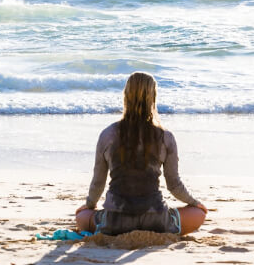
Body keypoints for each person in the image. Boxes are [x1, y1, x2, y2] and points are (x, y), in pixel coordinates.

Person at [75, 72, 208, 236]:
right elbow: (174, 185)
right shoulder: (165, 137)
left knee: (81, 216)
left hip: (115, 220)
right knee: (199, 214)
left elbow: (98, 183)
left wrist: (89, 205)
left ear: (126, 96)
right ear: (153, 97)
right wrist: (195, 203)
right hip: (155, 219)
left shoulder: (107, 134)